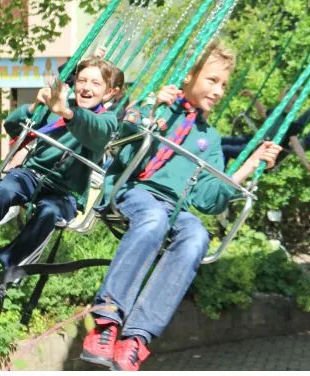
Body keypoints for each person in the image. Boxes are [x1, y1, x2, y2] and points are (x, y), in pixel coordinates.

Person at [80, 41, 282, 371]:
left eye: (224, 85)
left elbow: (209, 197)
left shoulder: (209, 138)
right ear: (189, 76)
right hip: (134, 190)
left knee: (197, 235)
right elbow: (122, 126)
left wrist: (249, 165)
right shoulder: (160, 106)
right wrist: (151, 105)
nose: (218, 91)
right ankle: (106, 321)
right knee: (154, 218)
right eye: (212, 80)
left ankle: (137, 337)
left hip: (175, 207)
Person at [0, 57, 119, 315]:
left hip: (65, 191)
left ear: (108, 92)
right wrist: (34, 107)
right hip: (32, 174)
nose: (86, 88)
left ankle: (2, 283)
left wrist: (68, 113)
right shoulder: (56, 106)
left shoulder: (106, 120)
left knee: (49, 214)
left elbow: (96, 131)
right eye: (82, 80)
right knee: (1, 192)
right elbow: (12, 125)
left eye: (95, 83)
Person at [221, 87, 310, 174]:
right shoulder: (275, 112)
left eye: (293, 102)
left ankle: (218, 175)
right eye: (289, 100)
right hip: (252, 142)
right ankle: (219, 170)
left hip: (259, 151)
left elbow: (296, 145)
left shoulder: (289, 124)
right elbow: (262, 111)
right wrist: (252, 96)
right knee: (220, 141)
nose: (289, 103)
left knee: (224, 149)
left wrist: (306, 163)